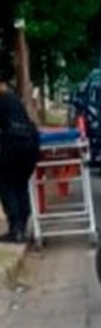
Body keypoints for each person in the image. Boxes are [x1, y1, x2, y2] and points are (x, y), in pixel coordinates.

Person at [0, 78, 40, 244]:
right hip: (30, 144)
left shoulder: (2, 101)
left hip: (13, 144)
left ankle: (15, 229)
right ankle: (22, 226)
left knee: (7, 184)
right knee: (21, 184)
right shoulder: (13, 99)